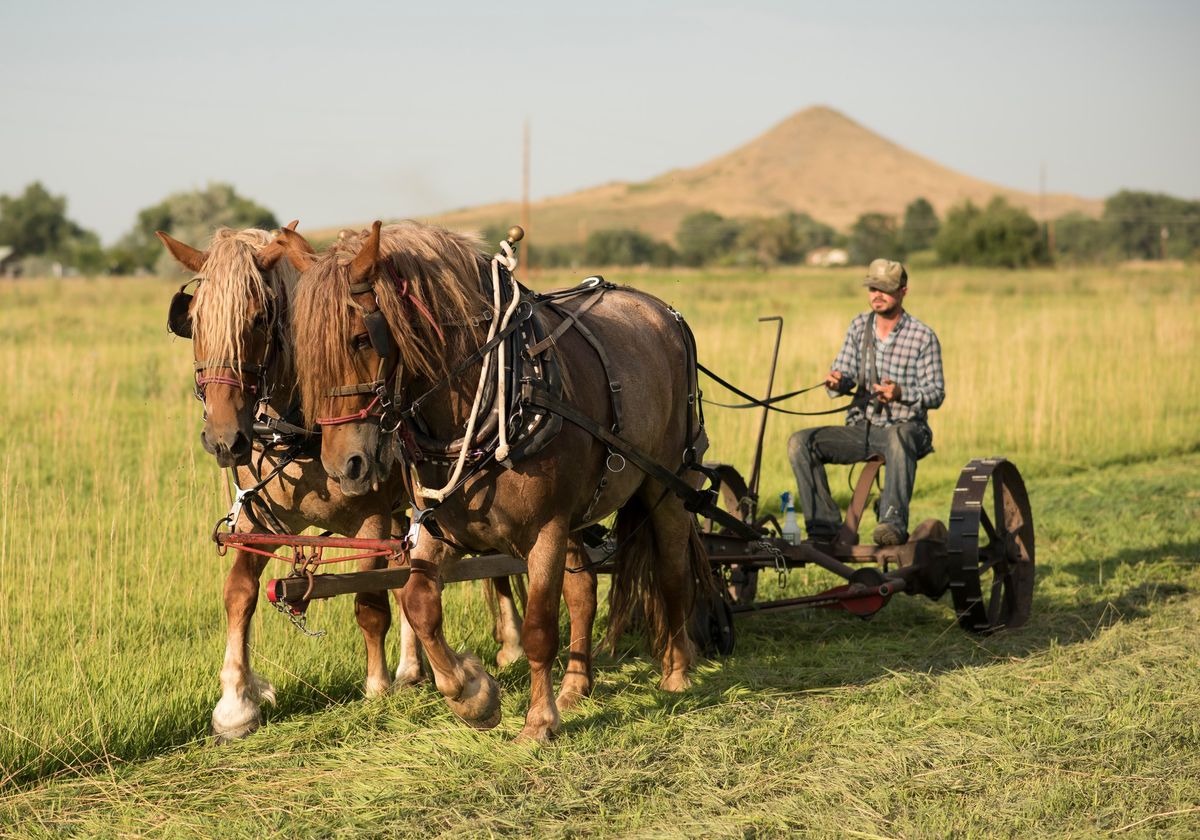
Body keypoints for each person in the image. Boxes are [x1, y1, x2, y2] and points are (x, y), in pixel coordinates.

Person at [787, 258, 944, 546]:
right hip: (863, 430)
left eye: (884, 289)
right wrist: (838, 381)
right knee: (800, 442)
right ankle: (824, 528)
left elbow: (936, 393)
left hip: (908, 430)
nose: (877, 295)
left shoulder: (923, 336)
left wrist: (900, 393)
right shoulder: (860, 326)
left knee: (898, 435)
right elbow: (845, 371)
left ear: (903, 292)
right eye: (873, 287)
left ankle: (892, 523)